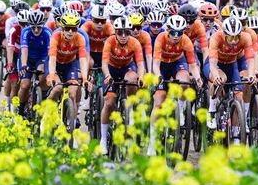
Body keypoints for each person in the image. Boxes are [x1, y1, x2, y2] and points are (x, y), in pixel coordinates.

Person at [148, 14, 197, 155]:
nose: (176, 36)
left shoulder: (186, 40)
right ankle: (152, 141)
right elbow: (155, 63)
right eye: (173, 32)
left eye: (179, 33)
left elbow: (192, 65)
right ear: (167, 29)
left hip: (177, 63)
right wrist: (158, 76)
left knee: (185, 80)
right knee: (158, 102)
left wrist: (198, 78)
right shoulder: (161, 38)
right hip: (162, 65)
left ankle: (180, 110)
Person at [99, 17, 144, 153]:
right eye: (120, 32)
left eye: (127, 32)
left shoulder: (135, 43)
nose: (123, 36)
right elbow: (104, 64)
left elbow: (140, 64)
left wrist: (141, 77)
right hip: (111, 69)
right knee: (109, 103)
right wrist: (107, 76)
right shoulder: (110, 41)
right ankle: (103, 139)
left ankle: (129, 108)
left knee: (132, 79)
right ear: (115, 32)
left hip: (127, 68)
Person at [46, 13, 89, 123]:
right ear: (62, 28)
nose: (70, 32)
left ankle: (72, 124)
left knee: (73, 93)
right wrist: (51, 75)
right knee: (57, 88)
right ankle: (47, 115)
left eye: (73, 29)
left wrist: (84, 78)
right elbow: (52, 58)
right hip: (55, 63)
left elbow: (83, 60)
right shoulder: (55, 36)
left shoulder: (80, 38)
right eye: (67, 28)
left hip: (70, 65)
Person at [18, 10, 53, 116]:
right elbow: (24, 50)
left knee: (42, 76)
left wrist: (45, 66)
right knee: (25, 85)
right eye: (33, 27)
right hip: (27, 57)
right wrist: (24, 65)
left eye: (39, 27)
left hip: (41, 57)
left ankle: (41, 101)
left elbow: (49, 52)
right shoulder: (25, 31)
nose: (36, 30)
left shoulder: (48, 32)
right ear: (29, 26)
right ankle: (21, 108)